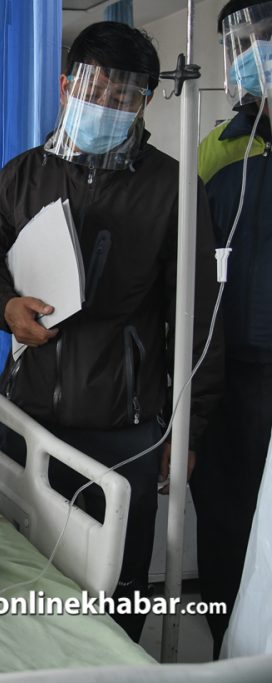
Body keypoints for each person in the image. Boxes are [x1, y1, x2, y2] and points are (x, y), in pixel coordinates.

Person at [0, 21, 223, 642]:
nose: (109, 108)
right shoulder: (21, 176)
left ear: (144, 103)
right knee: (27, 565)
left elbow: (196, 314)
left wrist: (190, 428)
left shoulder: (170, 188)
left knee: (120, 577)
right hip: (29, 410)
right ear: (65, 87)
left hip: (126, 418)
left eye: (126, 98)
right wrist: (4, 309)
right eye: (98, 91)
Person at [194, 0, 272, 657]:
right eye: (246, 45)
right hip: (236, 365)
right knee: (230, 514)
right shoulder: (220, 149)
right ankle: (231, 646)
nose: (257, 56)